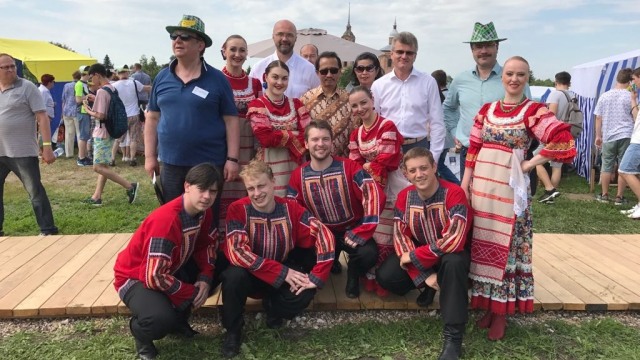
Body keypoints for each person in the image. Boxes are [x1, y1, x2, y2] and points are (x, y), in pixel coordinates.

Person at [461, 56, 576, 341]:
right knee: (483, 244)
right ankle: (487, 305)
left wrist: (529, 163)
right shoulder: (486, 110)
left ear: (527, 77)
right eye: (510, 73)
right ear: (503, 77)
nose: (514, 79)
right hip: (482, 189)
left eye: (520, 75)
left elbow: (562, 139)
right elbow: (473, 149)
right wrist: (465, 184)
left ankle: (501, 312)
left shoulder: (532, 111)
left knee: (507, 246)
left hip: (509, 189)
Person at [220, 160, 335, 358]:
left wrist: (317, 277)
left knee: (305, 290)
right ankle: (233, 330)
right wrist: (281, 272)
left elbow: (324, 234)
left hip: (282, 266)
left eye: (261, 185)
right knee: (232, 278)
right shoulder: (237, 209)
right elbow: (237, 251)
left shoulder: (291, 208)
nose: (257, 193)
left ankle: (274, 309)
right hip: (251, 273)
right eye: (251, 188)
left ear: (273, 182)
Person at [114, 163, 221, 360]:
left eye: (213, 191)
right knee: (159, 319)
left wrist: (205, 278)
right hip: (135, 277)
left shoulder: (203, 212)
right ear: (187, 186)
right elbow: (153, 277)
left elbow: (207, 244)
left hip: (169, 268)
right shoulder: (167, 220)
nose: (207, 196)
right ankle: (141, 333)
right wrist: (193, 292)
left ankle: (178, 321)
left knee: (220, 266)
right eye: (202, 189)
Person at [376, 147, 472, 360]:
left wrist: (416, 258)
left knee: (454, 263)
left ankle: (453, 337)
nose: (419, 174)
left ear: (434, 167)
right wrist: (423, 275)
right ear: (405, 174)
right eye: (413, 171)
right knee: (387, 275)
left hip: (450, 254)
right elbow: (400, 238)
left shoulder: (454, 192)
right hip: (423, 256)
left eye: (423, 168)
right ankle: (428, 286)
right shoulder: (404, 197)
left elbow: (454, 239)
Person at [144, 15, 240, 209]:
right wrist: (149, 157)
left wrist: (232, 159)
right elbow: (152, 118)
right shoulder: (162, 77)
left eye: (185, 37)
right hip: (171, 163)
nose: (177, 40)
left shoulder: (218, 79)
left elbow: (231, 121)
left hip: (208, 163)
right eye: (174, 36)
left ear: (200, 45)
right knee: (172, 214)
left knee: (206, 219)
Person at [288, 120, 384, 298]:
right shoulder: (297, 175)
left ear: (332, 142)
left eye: (325, 139)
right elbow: (294, 210)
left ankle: (353, 274)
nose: (320, 144)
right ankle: (331, 260)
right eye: (315, 139)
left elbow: (373, 194)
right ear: (306, 144)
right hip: (321, 233)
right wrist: (315, 232)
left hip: (351, 230)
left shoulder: (350, 167)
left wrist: (363, 229)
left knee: (368, 254)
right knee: (303, 257)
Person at [444, 22, 531, 181]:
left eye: (488, 45)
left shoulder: (512, 78)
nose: (483, 51)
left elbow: (529, 114)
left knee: (503, 202)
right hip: (469, 151)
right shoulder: (460, 80)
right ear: (472, 50)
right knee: (470, 200)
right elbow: (448, 108)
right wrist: (455, 131)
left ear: (497, 47)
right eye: (478, 46)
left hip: (504, 155)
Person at [347, 86, 408, 296]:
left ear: (372, 100)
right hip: (373, 185)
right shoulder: (356, 133)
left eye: (363, 102)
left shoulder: (386, 125)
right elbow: (354, 163)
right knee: (377, 230)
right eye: (354, 105)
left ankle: (389, 277)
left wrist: (365, 167)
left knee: (391, 230)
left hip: (392, 183)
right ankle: (373, 275)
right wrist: (364, 171)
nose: (360, 108)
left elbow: (387, 160)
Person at [0, 53, 58, 236]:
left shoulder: (27, 87)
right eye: (5, 67)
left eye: (12, 66)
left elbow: (42, 117)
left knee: (35, 192)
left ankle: (48, 229)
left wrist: (47, 146)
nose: (10, 69)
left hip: (22, 151)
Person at [371, 31, 445, 161]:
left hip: (419, 148)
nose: (404, 56)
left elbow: (437, 122)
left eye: (409, 53)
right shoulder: (378, 85)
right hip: (387, 149)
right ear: (392, 54)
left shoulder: (428, 82)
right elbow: (373, 122)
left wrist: (434, 157)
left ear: (415, 56)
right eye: (400, 52)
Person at [218, 34, 262, 231]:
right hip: (222, 146)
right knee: (221, 191)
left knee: (248, 189)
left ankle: (245, 235)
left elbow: (261, 116)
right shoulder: (215, 80)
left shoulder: (255, 84)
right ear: (224, 51)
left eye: (242, 50)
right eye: (233, 49)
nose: (237, 54)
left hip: (249, 150)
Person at [247, 60, 311, 197]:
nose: (280, 82)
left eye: (284, 78)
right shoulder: (257, 105)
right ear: (266, 77)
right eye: (275, 77)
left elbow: (308, 135)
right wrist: (294, 134)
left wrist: (277, 133)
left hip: (295, 167)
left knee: (295, 203)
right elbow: (266, 139)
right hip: (268, 168)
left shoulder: (297, 104)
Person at [82, 63, 140, 206]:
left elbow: (101, 115)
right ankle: (97, 197)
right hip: (110, 131)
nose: (91, 81)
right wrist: (95, 99)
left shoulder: (102, 91)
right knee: (104, 166)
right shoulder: (111, 88)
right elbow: (108, 106)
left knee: (98, 167)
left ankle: (130, 186)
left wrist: (87, 109)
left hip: (102, 132)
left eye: (91, 77)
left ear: (97, 75)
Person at [594, 68, 635, 205]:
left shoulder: (605, 96)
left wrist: (598, 135)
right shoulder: (631, 96)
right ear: (630, 81)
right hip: (627, 134)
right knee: (623, 167)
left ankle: (604, 195)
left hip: (609, 135)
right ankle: (619, 197)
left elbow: (598, 118)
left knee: (606, 165)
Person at [300, 51, 353, 157]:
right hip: (314, 163)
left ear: (340, 72)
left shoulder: (350, 99)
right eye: (324, 71)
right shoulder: (305, 100)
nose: (329, 75)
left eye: (333, 70)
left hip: (344, 163)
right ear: (317, 73)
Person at [249, 20, 320, 98]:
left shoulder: (309, 69)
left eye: (289, 35)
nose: (284, 39)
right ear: (273, 37)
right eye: (280, 34)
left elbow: (318, 100)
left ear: (295, 38)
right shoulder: (258, 68)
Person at [536, 71, 573, 203]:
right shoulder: (572, 96)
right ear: (569, 82)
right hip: (566, 133)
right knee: (556, 166)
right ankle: (551, 195)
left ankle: (549, 189)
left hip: (553, 133)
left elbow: (551, 115)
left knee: (536, 161)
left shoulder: (555, 94)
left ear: (556, 81)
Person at [112, 66, 150, 167]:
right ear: (127, 73)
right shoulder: (134, 83)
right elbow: (146, 89)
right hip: (134, 114)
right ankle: (132, 159)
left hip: (121, 116)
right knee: (133, 138)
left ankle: (112, 159)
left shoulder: (114, 85)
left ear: (118, 74)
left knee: (118, 139)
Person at [431, 69, 460, 185]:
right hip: (451, 135)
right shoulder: (452, 95)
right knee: (441, 164)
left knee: (439, 165)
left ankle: (456, 184)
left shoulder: (436, 96)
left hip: (440, 136)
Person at [618, 68, 640, 219]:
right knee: (626, 170)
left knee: (625, 170)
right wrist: (633, 100)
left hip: (638, 141)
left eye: (634, 79)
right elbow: (636, 117)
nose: (633, 82)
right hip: (635, 137)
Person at [75, 65, 93, 166]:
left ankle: (83, 156)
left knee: (85, 136)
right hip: (82, 111)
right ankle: (81, 158)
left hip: (85, 111)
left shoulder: (84, 84)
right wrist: (88, 96)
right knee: (83, 136)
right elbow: (77, 99)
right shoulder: (79, 84)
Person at [62, 71, 81, 158]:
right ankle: (81, 153)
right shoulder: (80, 85)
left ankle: (69, 153)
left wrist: (63, 112)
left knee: (69, 134)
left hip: (66, 111)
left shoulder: (66, 85)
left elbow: (63, 99)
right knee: (79, 133)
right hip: (77, 111)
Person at [38, 74, 57, 148]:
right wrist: (46, 116)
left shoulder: (43, 90)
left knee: (43, 132)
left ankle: (41, 149)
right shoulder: (44, 91)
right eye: (53, 82)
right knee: (43, 132)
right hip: (46, 115)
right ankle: (40, 150)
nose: (53, 84)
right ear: (49, 82)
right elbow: (43, 105)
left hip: (46, 115)